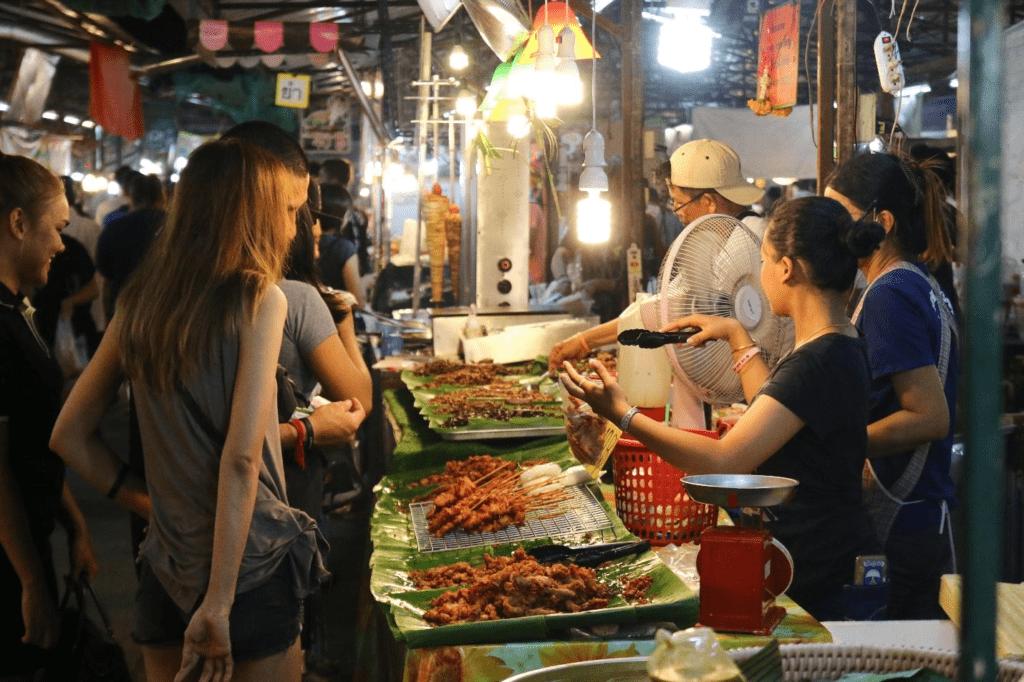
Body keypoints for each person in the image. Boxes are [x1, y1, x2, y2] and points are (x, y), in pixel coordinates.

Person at [50, 138, 328, 682]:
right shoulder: (259, 298)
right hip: (247, 569)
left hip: (164, 568)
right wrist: (219, 604)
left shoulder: (141, 301)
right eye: (288, 210)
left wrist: (154, 506)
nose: (294, 227)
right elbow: (242, 459)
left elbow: (69, 434)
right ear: (250, 210)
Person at [561, 196, 886, 620]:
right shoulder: (837, 342)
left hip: (822, 570)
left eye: (764, 259)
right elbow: (774, 409)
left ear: (787, 269)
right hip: (826, 550)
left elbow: (725, 458)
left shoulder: (819, 360)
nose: (760, 272)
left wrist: (623, 415)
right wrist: (735, 334)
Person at [825, 151, 960, 620]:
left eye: (838, 216)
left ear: (881, 222)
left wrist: (837, 444)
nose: (830, 230)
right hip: (919, 517)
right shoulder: (914, 282)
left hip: (905, 524)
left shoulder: (890, 295)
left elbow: (929, 416)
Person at [0, 152, 98, 680]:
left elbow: (33, 441)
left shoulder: (17, 308)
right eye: (56, 229)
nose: (63, 244)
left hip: (31, 545)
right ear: (18, 224)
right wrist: (32, 583)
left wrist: (75, 526)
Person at [548, 138, 764, 371]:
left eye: (679, 203)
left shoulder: (755, 240)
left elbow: (667, 310)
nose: (676, 212)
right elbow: (661, 310)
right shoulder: (716, 242)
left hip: (763, 376)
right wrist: (583, 341)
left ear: (709, 202)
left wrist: (585, 340)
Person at [95, 172, 167, 321]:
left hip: (124, 307)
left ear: (131, 197)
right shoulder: (174, 226)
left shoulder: (115, 227)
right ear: (161, 197)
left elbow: (103, 267)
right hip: (164, 306)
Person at [316, 183, 366, 307]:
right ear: (341, 215)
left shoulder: (303, 244)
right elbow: (358, 303)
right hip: (340, 321)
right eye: (347, 213)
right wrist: (365, 281)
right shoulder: (344, 248)